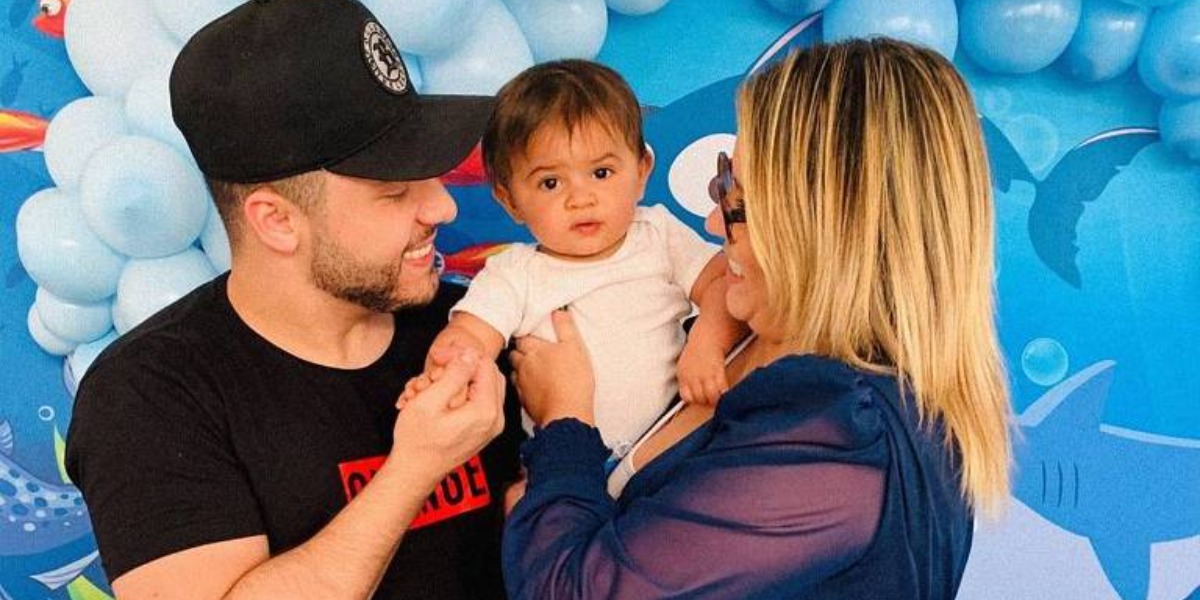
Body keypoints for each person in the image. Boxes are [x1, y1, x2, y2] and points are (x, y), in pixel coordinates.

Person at [501, 38, 1014, 599]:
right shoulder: (752, 342)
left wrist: (563, 425)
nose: (713, 224)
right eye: (725, 185)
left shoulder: (842, 437)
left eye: (738, 204)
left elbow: (572, 592)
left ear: (826, 228)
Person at [64, 1, 523, 598]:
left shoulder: (470, 329)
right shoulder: (150, 395)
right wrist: (411, 471)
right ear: (277, 222)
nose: (443, 207)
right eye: (393, 192)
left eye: (431, 176)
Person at [405, 60, 744, 469]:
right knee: (520, 509)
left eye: (601, 172)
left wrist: (707, 344)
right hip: (563, 464)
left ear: (641, 172)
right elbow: (473, 334)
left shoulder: (657, 234)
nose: (580, 198)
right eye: (550, 182)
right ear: (509, 199)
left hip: (666, 452)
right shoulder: (514, 273)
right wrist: (446, 369)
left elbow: (723, 284)